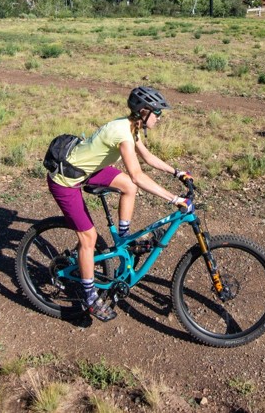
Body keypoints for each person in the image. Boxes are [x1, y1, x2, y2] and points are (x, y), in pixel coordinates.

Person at [46, 86, 193, 321]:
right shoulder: (122, 132)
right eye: (158, 112)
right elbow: (137, 174)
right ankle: (89, 296)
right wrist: (174, 199)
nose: (160, 117)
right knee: (89, 238)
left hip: (88, 170)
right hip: (66, 180)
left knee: (127, 187)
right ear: (144, 111)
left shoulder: (131, 127)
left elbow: (147, 157)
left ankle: (123, 239)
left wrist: (177, 172)